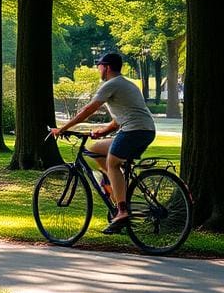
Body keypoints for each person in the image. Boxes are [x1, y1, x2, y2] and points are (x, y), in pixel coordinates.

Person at [51, 51, 156, 234]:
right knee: (96, 149)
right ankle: (114, 189)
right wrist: (103, 131)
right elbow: (120, 119)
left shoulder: (111, 84)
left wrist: (63, 128)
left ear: (106, 67)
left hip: (134, 131)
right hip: (145, 130)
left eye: (99, 65)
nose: (98, 68)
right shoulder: (127, 85)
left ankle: (122, 211)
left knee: (113, 162)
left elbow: (88, 109)